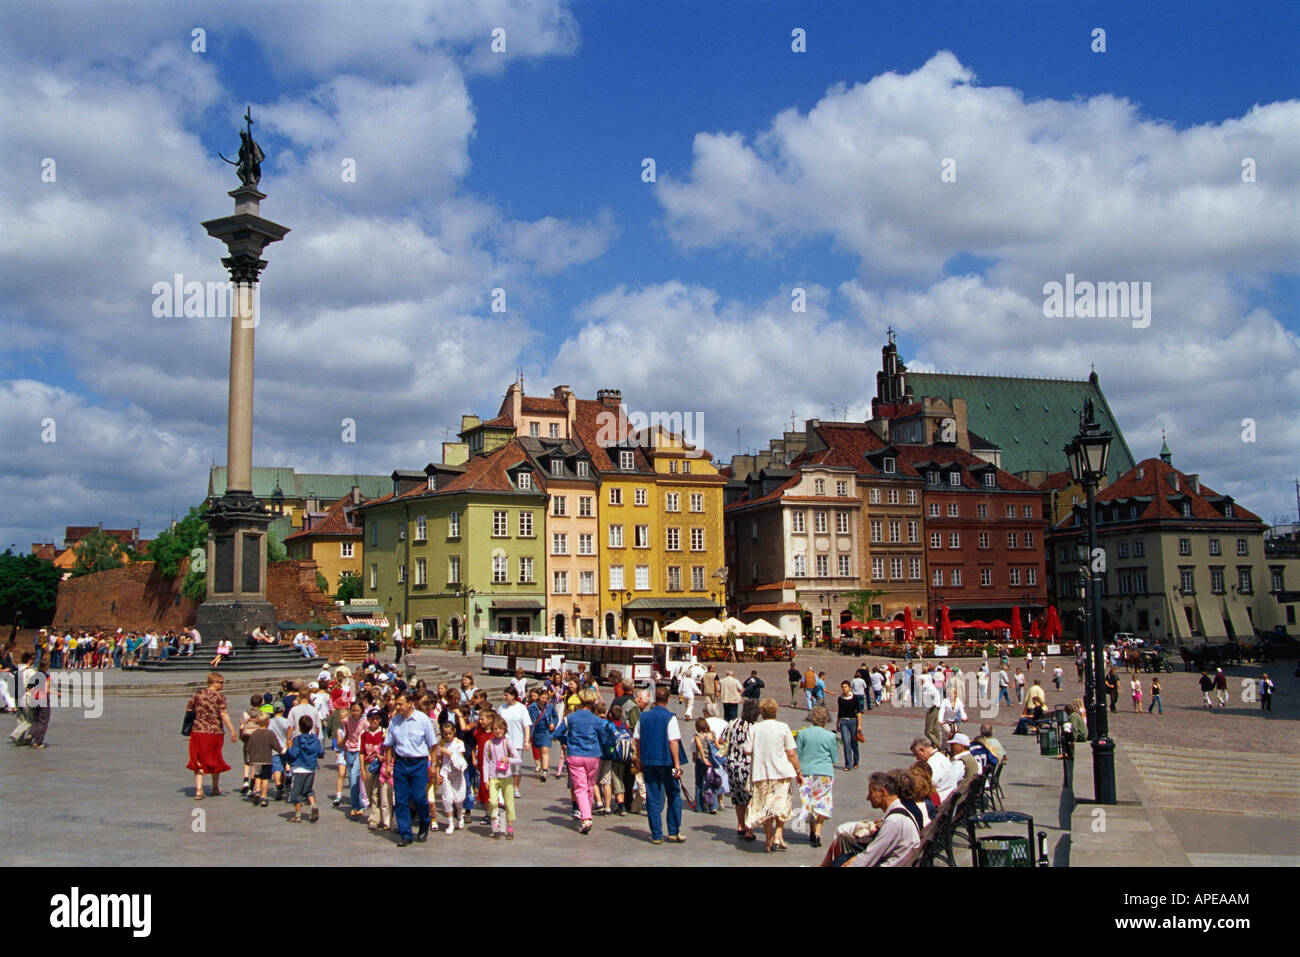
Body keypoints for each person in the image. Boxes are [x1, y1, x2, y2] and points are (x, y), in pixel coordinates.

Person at [745, 698, 802, 852]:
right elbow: (791, 753)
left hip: (762, 773)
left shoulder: (755, 728)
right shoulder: (783, 727)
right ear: (776, 711)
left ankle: (768, 839)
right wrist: (798, 772)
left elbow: (747, 750)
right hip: (781, 772)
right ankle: (779, 833)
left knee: (767, 807)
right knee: (782, 804)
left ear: (761, 712)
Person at [552, 688, 608, 835]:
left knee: (580, 788)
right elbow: (604, 738)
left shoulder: (571, 717)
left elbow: (557, 733)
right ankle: (587, 813)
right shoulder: (597, 719)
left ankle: (586, 818)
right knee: (590, 786)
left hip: (575, 755)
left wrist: (567, 740)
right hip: (593, 755)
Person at [633, 684, 685, 844]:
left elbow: (637, 739)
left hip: (648, 761)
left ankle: (656, 834)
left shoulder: (643, 717)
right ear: (668, 699)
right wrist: (677, 764)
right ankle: (673, 831)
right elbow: (673, 742)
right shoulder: (670, 717)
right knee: (674, 794)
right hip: (666, 761)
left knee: (653, 797)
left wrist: (640, 759)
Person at [384, 691, 436, 847]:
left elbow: (432, 745)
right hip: (400, 763)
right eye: (397, 704)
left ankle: (424, 823)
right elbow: (389, 746)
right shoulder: (394, 722)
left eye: (400, 704)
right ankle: (405, 833)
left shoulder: (423, 720)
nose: (397, 707)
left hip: (418, 763)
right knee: (400, 800)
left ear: (410, 703)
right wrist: (388, 765)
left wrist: (434, 765)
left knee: (419, 797)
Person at [842, 770, 921, 867]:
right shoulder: (903, 813)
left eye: (871, 792)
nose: (868, 798)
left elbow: (870, 856)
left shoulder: (893, 822)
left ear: (883, 792)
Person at [186, 672, 237, 798]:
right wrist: (232, 730)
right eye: (221, 682)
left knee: (198, 759)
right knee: (214, 758)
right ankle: (215, 787)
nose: (223, 685)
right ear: (213, 682)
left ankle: (199, 789)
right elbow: (223, 714)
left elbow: (189, 709)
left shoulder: (198, 694)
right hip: (214, 731)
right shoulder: (219, 697)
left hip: (198, 730)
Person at [795, 706, 837, 847]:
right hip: (824, 772)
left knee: (809, 802)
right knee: (822, 801)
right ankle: (818, 832)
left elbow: (798, 754)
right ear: (825, 720)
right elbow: (834, 757)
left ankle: (812, 830)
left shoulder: (803, 734)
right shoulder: (831, 736)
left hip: (806, 771)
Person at [720, 698, 759, 840]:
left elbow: (721, 739)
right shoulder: (755, 727)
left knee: (738, 797)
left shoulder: (733, 723)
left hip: (732, 765)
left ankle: (740, 825)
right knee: (750, 798)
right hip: (749, 766)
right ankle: (749, 829)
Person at [482, 715, 520, 839]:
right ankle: (495, 825)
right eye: (495, 729)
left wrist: (508, 759)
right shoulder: (489, 744)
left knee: (509, 803)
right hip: (494, 777)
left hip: (506, 776)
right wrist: (485, 779)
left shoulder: (507, 743)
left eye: (500, 729)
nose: (498, 731)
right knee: (493, 801)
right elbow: (486, 762)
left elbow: (518, 759)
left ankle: (509, 827)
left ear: (504, 730)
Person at [284, 714, 324, 823]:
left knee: (297, 792)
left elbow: (293, 754)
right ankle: (313, 806)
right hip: (311, 768)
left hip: (299, 768)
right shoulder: (315, 739)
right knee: (308, 790)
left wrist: (289, 748)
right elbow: (321, 752)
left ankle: (297, 815)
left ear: (300, 727)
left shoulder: (298, 740)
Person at [360, 709, 392, 832]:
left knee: (376, 792)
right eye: (372, 719)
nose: (375, 721)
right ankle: (376, 814)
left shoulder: (383, 733)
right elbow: (361, 752)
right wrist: (362, 768)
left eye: (377, 719)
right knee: (369, 791)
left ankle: (375, 818)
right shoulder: (364, 734)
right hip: (369, 766)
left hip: (380, 765)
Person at [434, 720, 468, 834]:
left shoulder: (459, 743)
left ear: (453, 732)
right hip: (446, 773)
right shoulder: (441, 744)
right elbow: (439, 760)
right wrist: (438, 774)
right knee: (447, 798)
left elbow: (460, 759)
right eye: (445, 734)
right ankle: (450, 823)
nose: (448, 736)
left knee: (458, 799)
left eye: (450, 733)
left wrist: (448, 753)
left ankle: (459, 815)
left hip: (457, 773)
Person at [499, 686, 532, 799]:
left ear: (513, 696)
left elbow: (526, 725)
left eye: (506, 695)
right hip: (504, 742)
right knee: (504, 765)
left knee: (516, 767)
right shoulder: (502, 708)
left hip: (517, 741)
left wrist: (526, 740)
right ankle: (505, 787)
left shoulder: (521, 708)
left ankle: (516, 787)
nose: (504, 697)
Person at [244, 712, 277, 807]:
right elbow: (275, 745)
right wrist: (282, 750)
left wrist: (250, 756)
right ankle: (264, 796)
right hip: (267, 759)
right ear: (268, 722)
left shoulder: (254, 734)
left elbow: (249, 747)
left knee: (257, 777)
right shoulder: (270, 733)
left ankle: (257, 791)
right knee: (265, 779)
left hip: (256, 760)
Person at [910, 737, 958, 801]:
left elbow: (927, 784)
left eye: (916, 755)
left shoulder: (933, 763)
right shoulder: (940, 756)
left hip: (941, 799)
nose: (917, 758)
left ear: (922, 750)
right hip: (947, 797)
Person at [528, 688, 557, 781]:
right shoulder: (532, 707)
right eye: (543, 698)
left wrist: (553, 723)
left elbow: (555, 716)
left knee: (545, 750)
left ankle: (545, 771)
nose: (544, 700)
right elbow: (528, 720)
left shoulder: (550, 707)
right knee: (540, 750)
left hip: (546, 731)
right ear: (539, 697)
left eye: (546, 698)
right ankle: (542, 767)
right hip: (536, 731)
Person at [835, 680, 862, 771]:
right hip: (843, 722)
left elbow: (858, 712)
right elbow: (839, 711)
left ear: (849, 688)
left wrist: (859, 725)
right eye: (842, 687)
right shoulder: (840, 699)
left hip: (853, 721)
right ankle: (848, 764)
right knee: (846, 743)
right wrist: (837, 723)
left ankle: (856, 761)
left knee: (854, 742)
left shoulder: (855, 698)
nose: (844, 688)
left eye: (845, 687)